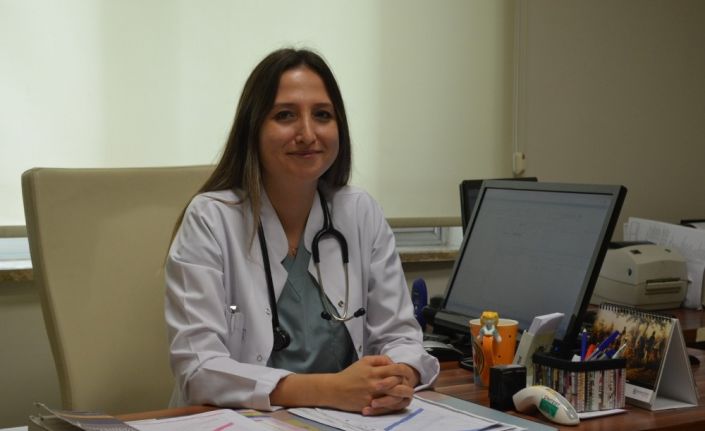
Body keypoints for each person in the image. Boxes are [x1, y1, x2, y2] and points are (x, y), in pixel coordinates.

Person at [164, 48, 439, 415]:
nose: (308, 133)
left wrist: (399, 375)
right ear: (253, 129)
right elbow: (199, 369)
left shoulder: (359, 212)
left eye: (322, 115)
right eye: (285, 115)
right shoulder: (211, 220)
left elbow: (400, 336)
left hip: (351, 420)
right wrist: (330, 390)